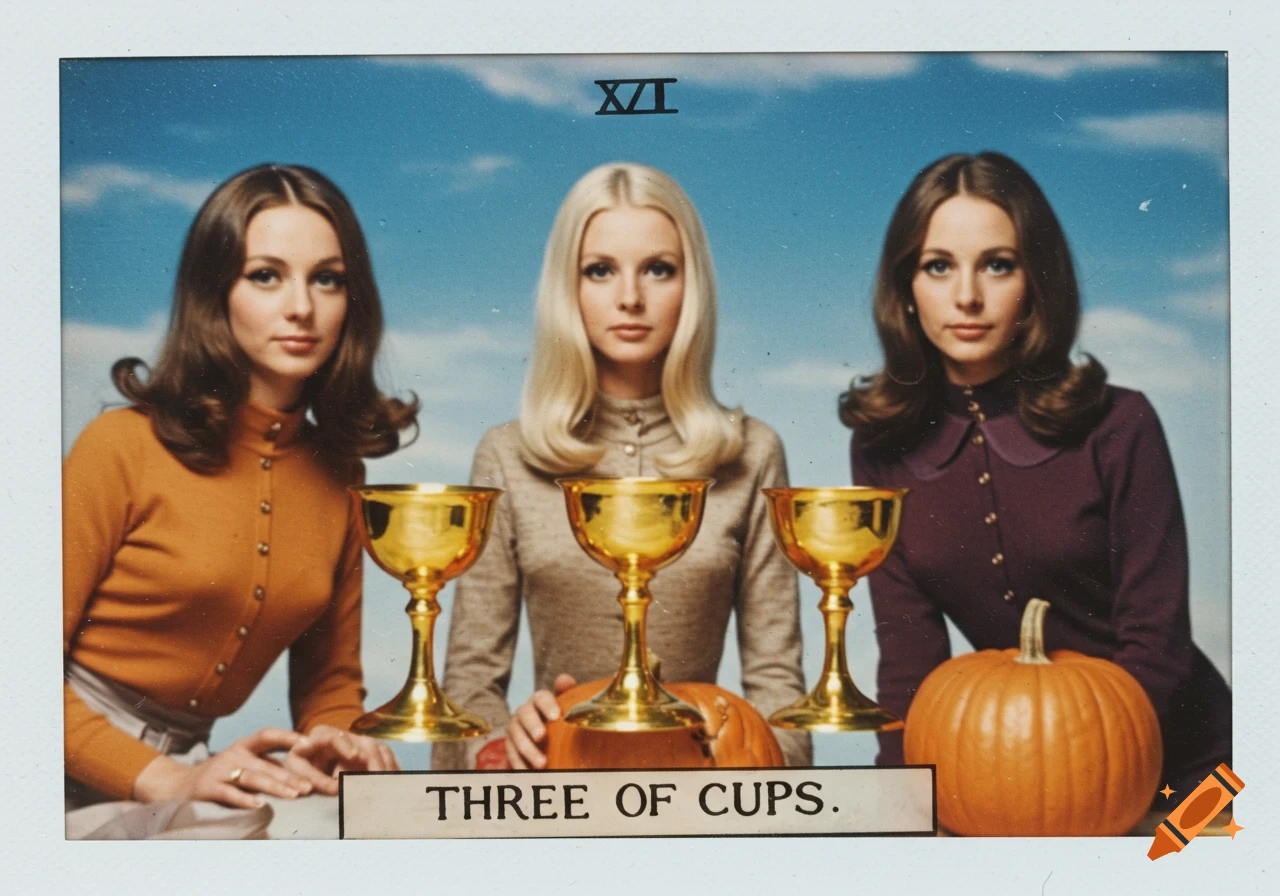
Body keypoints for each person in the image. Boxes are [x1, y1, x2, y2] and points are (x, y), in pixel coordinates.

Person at [842, 151, 1230, 801]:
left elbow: (1155, 644)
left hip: (1198, 772)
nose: (967, 296)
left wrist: (1081, 791)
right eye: (939, 266)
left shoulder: (1120, 424)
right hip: (1026, 782)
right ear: (905, 285)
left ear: (1037, 280)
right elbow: (909, 659)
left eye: (998, 264)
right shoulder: (881, 448)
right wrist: (900, 809)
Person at [434, 162, 811, 770]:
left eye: (658, 269)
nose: (630, 297)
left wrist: (748, 765)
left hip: (704, 789)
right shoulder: (506, 455)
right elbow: (468, 686)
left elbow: (779, 687)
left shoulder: (753, 452)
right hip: (555, 786)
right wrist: (501, 748)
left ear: (692, 286)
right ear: (567, 288)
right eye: (600, 270)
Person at [64, 163, 414, 813]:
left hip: (187, 772)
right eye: (265, 276)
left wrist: (342, 742)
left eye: (327, 279)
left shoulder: (341, 477)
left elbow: (330, 682)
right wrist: (165, 780)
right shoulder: (118, 447)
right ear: (215, 291)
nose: (301, 307)